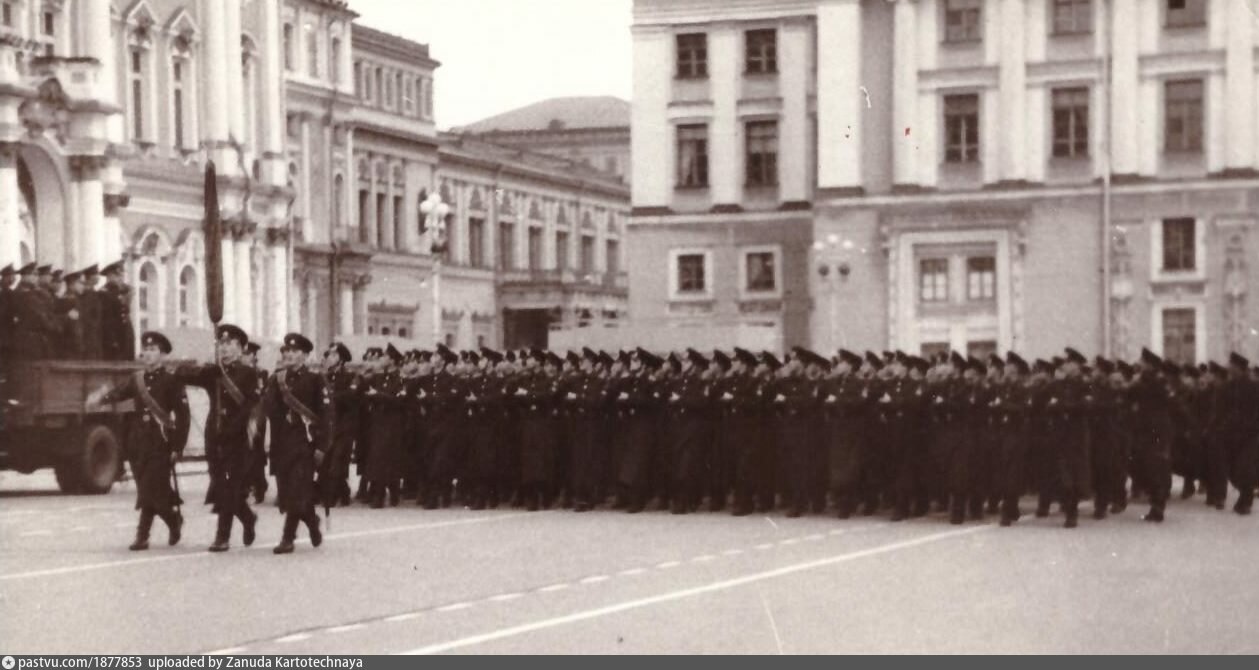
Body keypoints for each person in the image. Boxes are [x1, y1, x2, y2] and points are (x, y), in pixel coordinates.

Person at [87, 332, 190, 550]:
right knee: (150, 489)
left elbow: (183, 415)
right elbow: (119, 393)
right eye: (146, 350)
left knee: (149, 489)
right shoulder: (137, 379)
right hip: (138, 443)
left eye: (154, 350)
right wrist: (100, 399)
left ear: (162, 355)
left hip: (160, 442)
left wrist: (178, 446)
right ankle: (173, 520)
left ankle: (142, 536)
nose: (149, 354)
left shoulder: (171, 381)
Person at [174, 324, 259, 552]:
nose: (226, 348)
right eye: (222, 344)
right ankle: (248, 518)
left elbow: (249, 407)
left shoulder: (249, 374)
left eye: (231, 344)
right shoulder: (213, 372)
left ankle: (222, 537)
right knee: (220, 486)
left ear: (241, 349)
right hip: (213, 437)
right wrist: (201, 366)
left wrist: (231, 430)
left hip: (235, 439)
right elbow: (182, 375)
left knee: (230, 489)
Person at [253, 333, 326, 554]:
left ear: (304, 356)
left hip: (305, 444)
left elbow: (327, 415)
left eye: (295, 352)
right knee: (288, 494)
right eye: (287, 351)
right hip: (282, 444)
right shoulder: (277, 379)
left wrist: (322, 446)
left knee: (296, 491)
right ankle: (312, 521)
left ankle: (288, 538)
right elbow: (268, 409)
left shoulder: (315, 379)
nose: (290, 355)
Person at [99, 260, 135, 361]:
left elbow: (125, 311)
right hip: (114, 335)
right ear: (109, 276)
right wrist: (112, 339)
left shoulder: (122, 290)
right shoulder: (104, 293)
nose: (121, 278)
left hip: (125, 333)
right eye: (117, 275)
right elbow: (106, 319)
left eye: (122, 275)